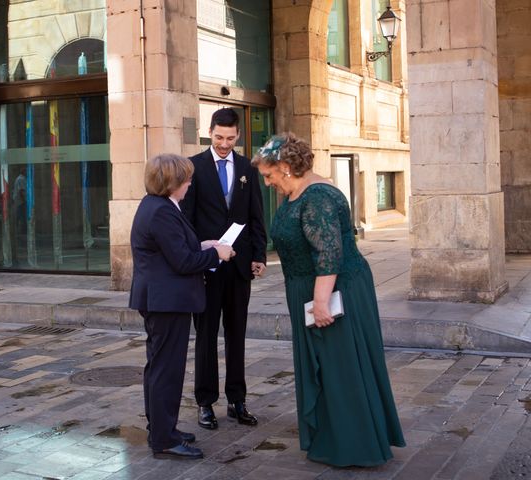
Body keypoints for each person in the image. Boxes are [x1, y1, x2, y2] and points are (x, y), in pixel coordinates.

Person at [251, 132, 405, 467]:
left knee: (339, 366)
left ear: (286, 167)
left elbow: (329, 253)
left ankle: (354, 445)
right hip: (312, 288)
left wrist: (321, 302)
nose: (267, 183)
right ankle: (332, 435)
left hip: (333, 291)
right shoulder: (298, 192)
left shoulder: (317, 196)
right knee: (330, 365)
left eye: (269, 175)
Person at [129, 153, 234, 460]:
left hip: (163, 299)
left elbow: (173, 249)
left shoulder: (158, 206)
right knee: (166, 371)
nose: (190, 183)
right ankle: (163, 438)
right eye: (186, 178)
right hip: (166, 301)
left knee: (158, 367)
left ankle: (162, 428)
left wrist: (205, 245)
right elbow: (183, 262)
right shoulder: (161, 210)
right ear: (172, 182)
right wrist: (218, 255)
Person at [180, 108, 267, 430]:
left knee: (236, 335)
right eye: (218, 137)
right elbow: (185, 220)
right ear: (210, 132)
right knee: (205, 336)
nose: (224, 144)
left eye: (230, 138)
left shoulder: (247, 167)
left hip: (240, 267)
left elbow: (256, 215)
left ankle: (237, 400)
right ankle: (205, 402)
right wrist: (198, 254)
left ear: (238, 135)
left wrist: (259, 255)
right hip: (206, 267)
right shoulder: (194, 166)